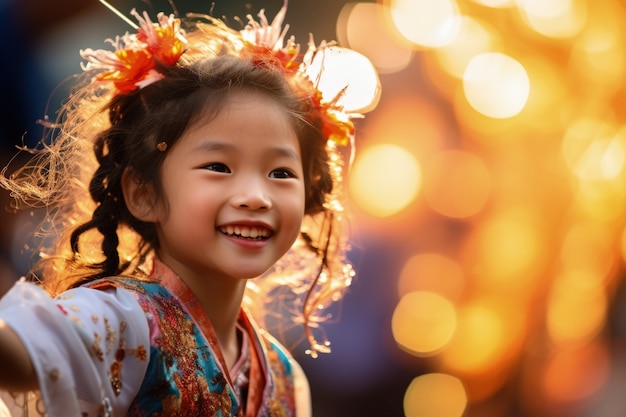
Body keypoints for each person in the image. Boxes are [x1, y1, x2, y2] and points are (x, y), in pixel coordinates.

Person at [0, 1, 377, 416]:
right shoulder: (122, 321)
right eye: (218, 166)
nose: (256, 195)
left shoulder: (285, 379)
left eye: (281, 173)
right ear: (143, 194)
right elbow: (17, 358)